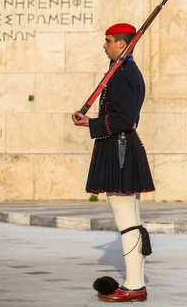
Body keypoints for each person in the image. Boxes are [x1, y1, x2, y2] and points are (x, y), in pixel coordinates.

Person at [72, 23, 155, 303]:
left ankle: (133, 287)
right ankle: (136, 283)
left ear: (121, 44)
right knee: (131, 220)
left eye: (107, 40)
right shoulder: (123, 71)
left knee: (127, 223)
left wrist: (90, 123)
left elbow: (124, 118)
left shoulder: (123, 74)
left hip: (119, 149)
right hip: (120, 147)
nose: (103, 45)